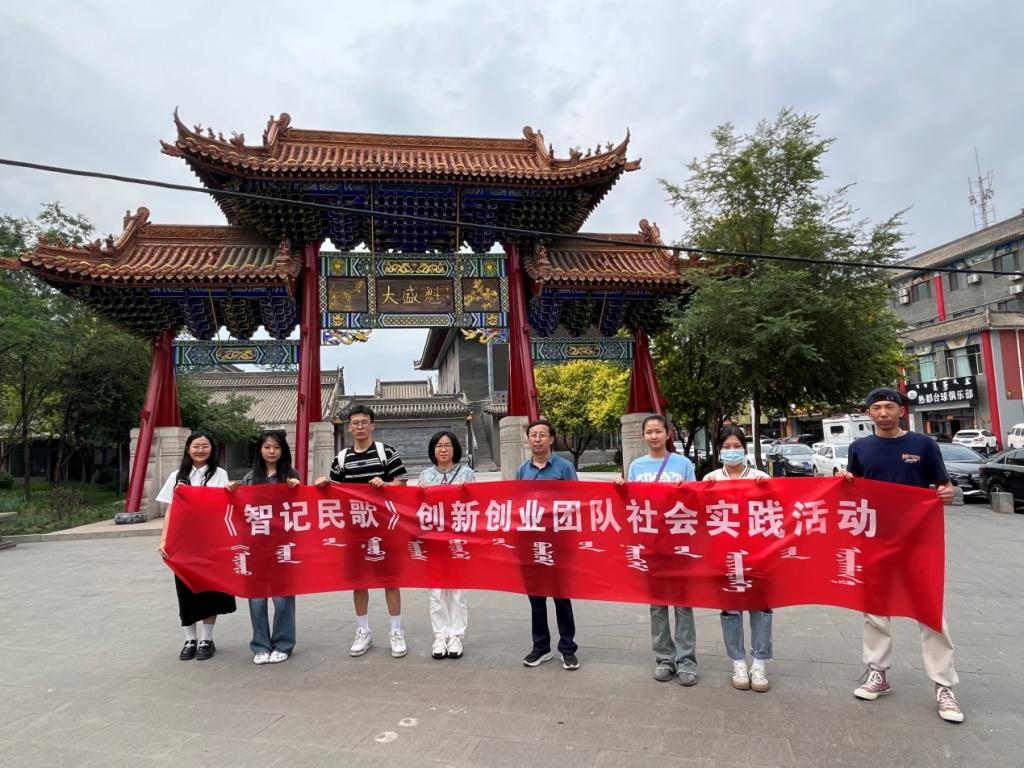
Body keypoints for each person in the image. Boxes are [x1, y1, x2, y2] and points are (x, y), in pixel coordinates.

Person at [840, 387, 963, 723]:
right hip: (875, 539)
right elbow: (856, 489)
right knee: (875, 610)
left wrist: (947, 493)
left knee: (930, 611)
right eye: (876, 408)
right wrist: (845, 480)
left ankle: (944, 686)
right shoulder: (859, 448)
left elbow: (944, 486)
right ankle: (877, 673)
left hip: (918, 541)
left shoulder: (923, 445)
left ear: (901, 410)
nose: (883, 413)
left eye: (889, 407)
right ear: (868, 413)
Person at [314, 405, 408, 658]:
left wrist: (386, 484)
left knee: (390, 580)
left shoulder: (387, 453)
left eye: (364, 422)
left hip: (384, 528)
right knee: (359, 581)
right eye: (355, 423)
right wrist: (323, 484)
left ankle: (396, 631)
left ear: (372, 425)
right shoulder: (341, 458)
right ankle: (363, 631)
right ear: (349, 427)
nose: (359, 427)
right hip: (354, 530)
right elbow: (335, 490)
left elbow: (402, 483)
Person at [619, 415, 699, 686]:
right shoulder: (636, 466)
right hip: (650, 544)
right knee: (657, 605)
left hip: (678, 543)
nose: (653, 436)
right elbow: (631, 504)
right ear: (644, 435)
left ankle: (687, 662)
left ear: (668, 434)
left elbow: (696, 498)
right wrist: (621, 491)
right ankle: (664, 659)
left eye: (658, 431)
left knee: (683, 605)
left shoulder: (683, 464)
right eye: (649, 432)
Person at [704, 426, 773, 692]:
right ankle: (738, 662)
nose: (732, 451)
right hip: (725, 555)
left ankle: (760, 663)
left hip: (758, 555)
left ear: (745, 449)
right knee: (730, 610)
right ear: (719, 450)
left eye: (737, 446)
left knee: (761, 609)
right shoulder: (711, 478)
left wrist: (768, 491)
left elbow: (779, 510)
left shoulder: (760, 477)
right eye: (726, 447)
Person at [157, 429, 236, 661]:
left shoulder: (220, 474)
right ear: (188, 449)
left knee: (210, 590)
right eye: (196, 446)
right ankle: (189, 639)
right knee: (185, 589)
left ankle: (206, 639)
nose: (200, 450)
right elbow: (170, 510)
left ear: (212, 450)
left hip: (211, 541)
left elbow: (225, 504)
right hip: (183, 542)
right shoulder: (177, 476)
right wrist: (164, 539)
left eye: (205, 446)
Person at [226, 430, 301, 665]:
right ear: (259, 450)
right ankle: (260, 645)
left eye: (276, 447)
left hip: (283, 545)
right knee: (257, 598)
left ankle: (283, 644)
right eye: (267, 447)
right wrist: (231, 492)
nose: (271, 451)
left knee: (282, 597)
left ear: (283, 451)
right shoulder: (249, 479)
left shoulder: (291, 476)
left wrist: (297, 489)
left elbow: (302, 507)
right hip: (255, 547)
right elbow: (240, 511)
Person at [515, 418, 580, 670]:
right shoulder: (523, 470)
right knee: (536, 597)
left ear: (551, 439)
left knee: (561, 596)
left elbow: (577, 501)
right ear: (528, 440)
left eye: (542, 435)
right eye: (533, 435)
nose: (537, 439)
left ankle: (568, 648)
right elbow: (516, 504)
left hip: (558, 541)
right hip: (531, 542)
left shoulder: (564, 468)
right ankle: (541, 647)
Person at [417, 430, 476, 660]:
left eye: (447, 445)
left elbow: (478, 505)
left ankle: (456, 636)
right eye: (439, 446)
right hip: (434, 541)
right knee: (436, 591)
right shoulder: (425, 475)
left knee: (457, 591)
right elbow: (418, 508)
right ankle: (440, 635)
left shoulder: (467, 473)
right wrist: (419, 493)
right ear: (433, 450)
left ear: (455, 449)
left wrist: (467, 491)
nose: (443, 449)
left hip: (458, 540)